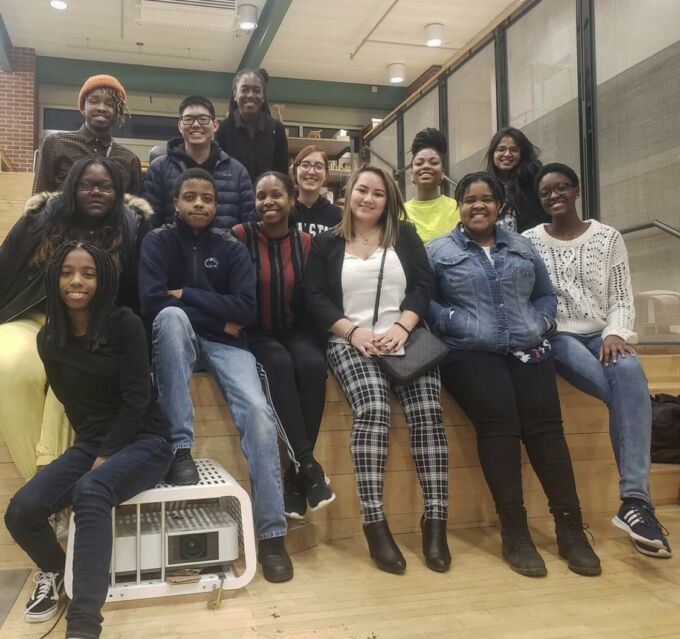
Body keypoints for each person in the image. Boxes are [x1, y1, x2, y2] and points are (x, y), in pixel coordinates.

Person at [427, 171, 600, 578]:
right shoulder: (437, 251)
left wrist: (540, 321)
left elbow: (544, 294)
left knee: (546, 430)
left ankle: (570, 529)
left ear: (499, 205)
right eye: (469, 199)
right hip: (470, 353)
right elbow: (425, 300)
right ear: (459, 206)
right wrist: (452, 321)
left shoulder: (522, 246)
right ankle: (515, 532)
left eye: (486, 199)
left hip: (529, 348)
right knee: (500, 427)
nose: (478, 206)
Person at [4, 240, 173, 639]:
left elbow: (138, 399)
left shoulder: (124, 323)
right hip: (93, 440)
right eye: (67, 272)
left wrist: (108, 452)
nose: (76, 280)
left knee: (91, 489)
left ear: (102, 280)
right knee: (21, 512)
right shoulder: (48, 340)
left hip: (146, 438)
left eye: (88, 273)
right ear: (55, 278)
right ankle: (64, 574)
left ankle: (83, 626)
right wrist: (94, 449)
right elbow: (70, 402)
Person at [139, 167, 293, 583]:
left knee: (259, 417)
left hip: (229, 346)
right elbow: (152, 304)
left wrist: (187, 293)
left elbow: (245, 310)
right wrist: (213, 313)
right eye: (190, 197)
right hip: (180, 341)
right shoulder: (156, 242)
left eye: (206, 198)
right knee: (170, 319)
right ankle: (181, 449)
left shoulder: (230, 248)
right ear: (175, 202)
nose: (199, 204)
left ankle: (273, 535)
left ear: (216, 203)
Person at [304, 164, 450, 575]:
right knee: (374, 410)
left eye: (378, 194)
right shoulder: (327, 243)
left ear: (390, 200)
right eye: (362, 191)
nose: (368, 199)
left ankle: (435, 520)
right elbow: (314, 296)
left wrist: (404, 326)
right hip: (350, 340)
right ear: (349, 194)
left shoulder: (404, 235)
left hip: (404, 339)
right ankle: (374, 522)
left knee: (428, 414)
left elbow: (424, 285)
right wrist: (352, 332)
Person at [524, 162, 671, 558]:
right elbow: (530, 296)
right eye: (545, 192)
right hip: (559, 336)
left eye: (561, 188)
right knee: (625, 391)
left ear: (576, 190)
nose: (554, 196)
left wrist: (615, 333)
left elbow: (622, 297)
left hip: (603, 334)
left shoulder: (608, 237)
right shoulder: (529, 240)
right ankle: (637, 507)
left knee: (629, 369)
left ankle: (635, 502)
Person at [0, 158, 151, 479]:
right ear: (71, 187)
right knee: (9, 369)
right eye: (87, 184)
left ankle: (50, 476)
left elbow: (137, 293)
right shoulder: (39, 219)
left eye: (105, 185)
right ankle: (36, 480)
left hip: (87, 328)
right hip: (30, 317)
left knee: (74, 374)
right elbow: (4, 266)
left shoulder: (132, 227)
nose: (96, 191)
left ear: (118, 191)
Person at [232, 171, 334, 519]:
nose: (268, 203)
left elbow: (318, 295)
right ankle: (308, 464)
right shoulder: (240, 236)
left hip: (299, 330)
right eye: (261, 196)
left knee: (311, 364)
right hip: (257, 332)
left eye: (276, 195)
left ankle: (294, 479)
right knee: (278, 363)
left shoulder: (308, 243)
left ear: (291, 199)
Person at [143, 95, 256, 228]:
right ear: (180, 126)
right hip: (171, 248)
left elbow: (248, 228)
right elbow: (149, 223)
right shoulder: (159, 169)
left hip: (225, 248)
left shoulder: (238, 172)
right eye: (188, 119)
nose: (196, 125)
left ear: (215, 125)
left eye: (203, 119)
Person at [33, 74, 142, 196]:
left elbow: (135, 211)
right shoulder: (55, 144)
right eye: (94, 101)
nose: (102, 108)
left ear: (118, 112)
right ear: (82, 107)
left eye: (110, 104)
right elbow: (37, 203)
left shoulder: (129, 160)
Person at [215, 68, 288, 183]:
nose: (250, 95)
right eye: (244, 90)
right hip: (233, 198)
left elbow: (282, 175)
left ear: (263, 96)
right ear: (235, 94)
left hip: (267, 198)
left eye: (256, 90)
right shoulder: (223, 128)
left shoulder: (276, 129)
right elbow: (218, 173)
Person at [484, 127, 550, 233]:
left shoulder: (533, 181)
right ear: (492, 154)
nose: (507, 154)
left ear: (522, 154)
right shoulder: (485, 186)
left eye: (514, 150)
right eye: (501, 149)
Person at [404, 128, 460, 243]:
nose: (426, 166)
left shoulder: (457, 208)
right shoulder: (400, 212)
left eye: (434, 162)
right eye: (419, 163)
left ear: (443, 173)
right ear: (411, 175)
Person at [292, 145, 342, 236]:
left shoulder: (337, 216)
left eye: (319, 167)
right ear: (295, 171)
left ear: (325, 175)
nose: (311, 172)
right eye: (305, 165)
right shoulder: (285, 212)